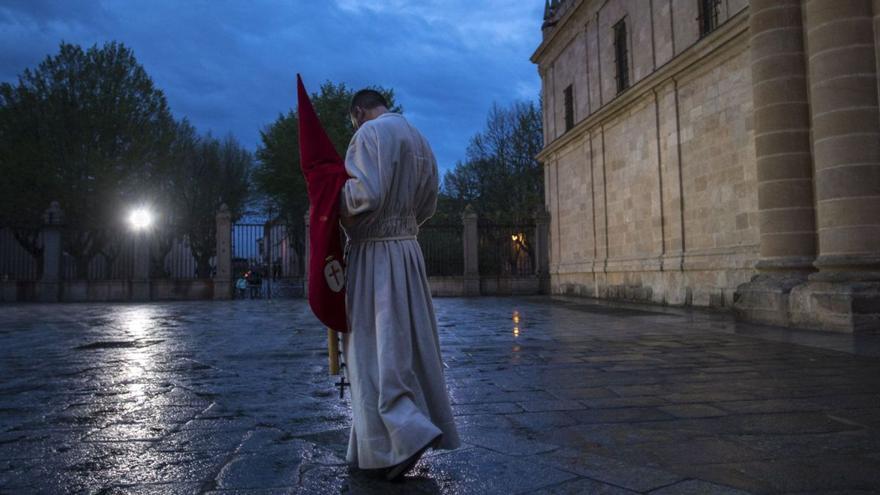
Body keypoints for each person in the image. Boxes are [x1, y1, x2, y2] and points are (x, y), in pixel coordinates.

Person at [339, 89, 460, 480]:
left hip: (374, 252)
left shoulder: (369, 135)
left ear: (359, 112)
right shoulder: (419, 138)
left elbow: (362, 196)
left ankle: (404, 435)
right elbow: (429, 205)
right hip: (408, 251)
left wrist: (328, 196)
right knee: (407, 345)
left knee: (374, 348)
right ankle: (376, 448)